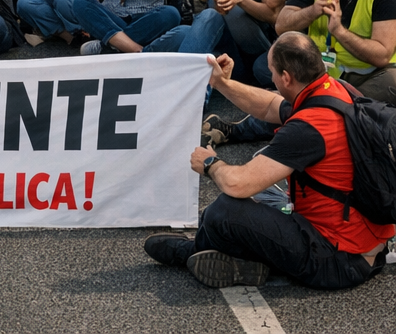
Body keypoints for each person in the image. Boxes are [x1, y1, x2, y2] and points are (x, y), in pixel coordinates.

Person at [144, 33, 393, 290]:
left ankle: (194, 251)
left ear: (286, 77)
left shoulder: (308, 128)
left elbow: (238, 184)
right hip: (364, 246)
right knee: (249, 206)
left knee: (224, 212)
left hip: (338, 261)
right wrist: (220, 83)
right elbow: (270, 105)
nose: (270, 78)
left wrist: (210, 164)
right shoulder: (333, 90)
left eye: (272, 71)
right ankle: (240, 260)